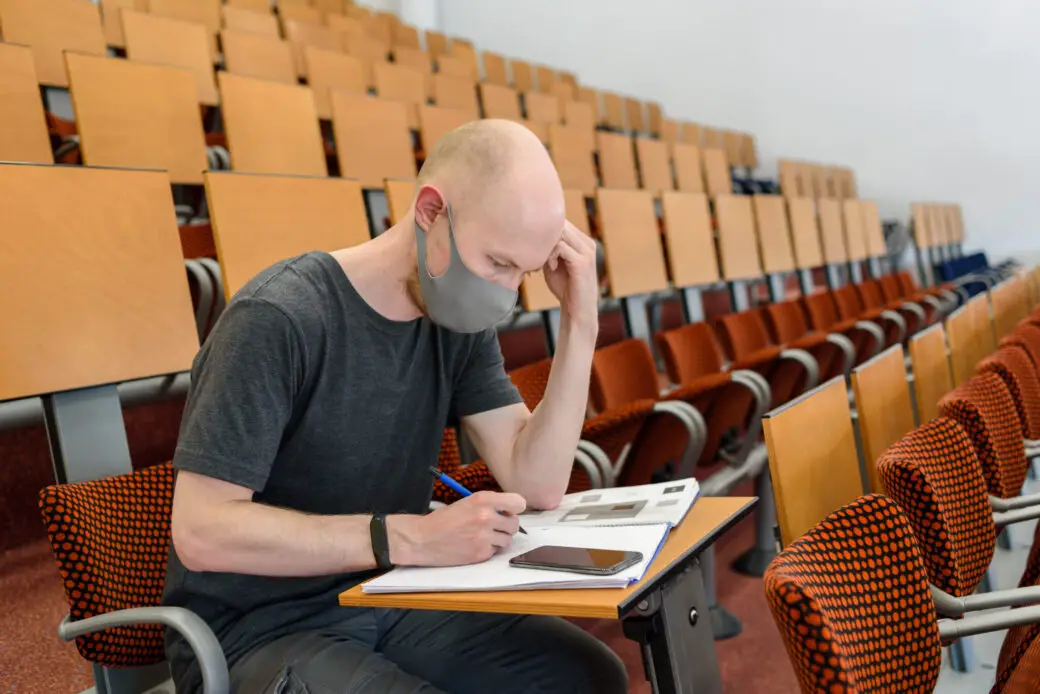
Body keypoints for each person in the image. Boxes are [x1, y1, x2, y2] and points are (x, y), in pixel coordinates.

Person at [163, 119, 627, 693]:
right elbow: (201, 531)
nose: (506, 295)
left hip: (391, 592)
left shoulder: (455, 320)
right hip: (259, 629)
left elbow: (537, 484)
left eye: (523, 274)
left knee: (588, 677)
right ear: (431, 212)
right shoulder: (279, 316)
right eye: (498, 264)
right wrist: (406, 538)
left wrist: (580, 322)